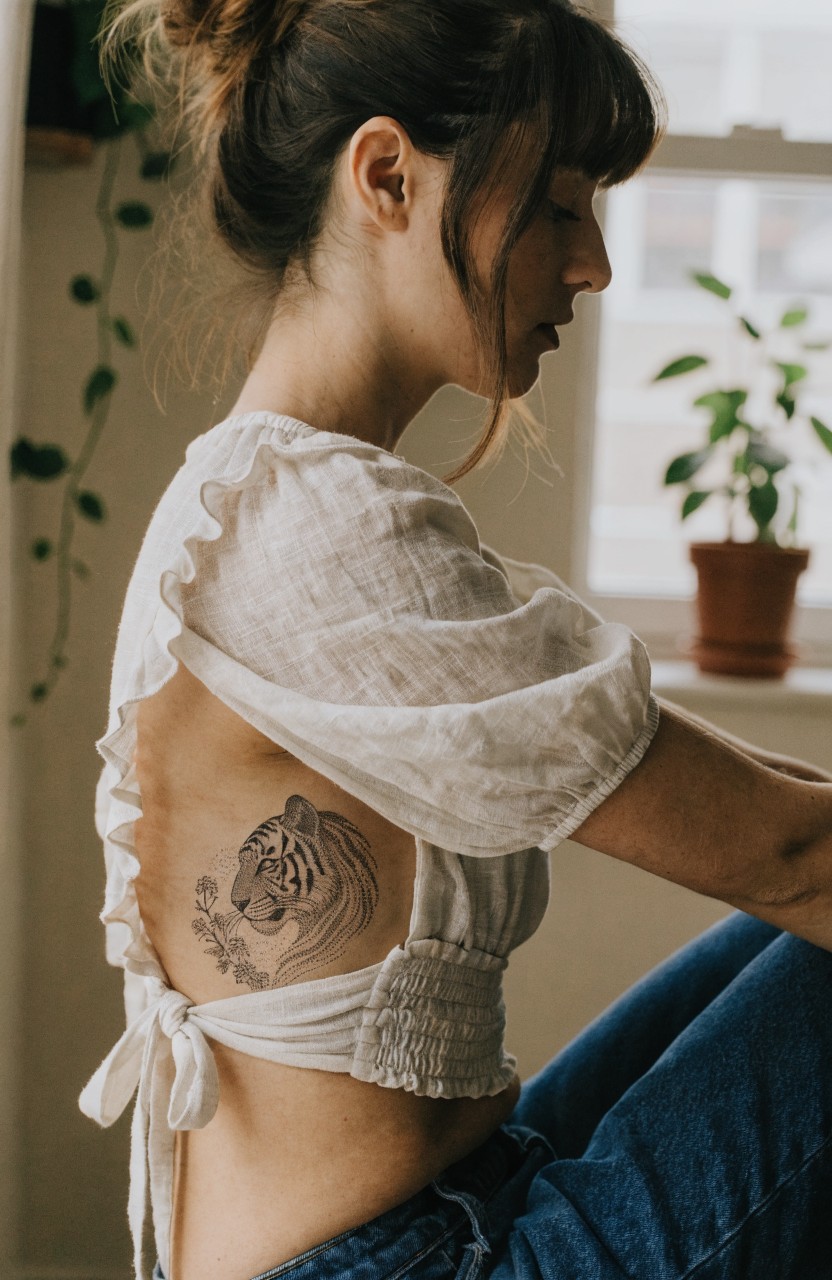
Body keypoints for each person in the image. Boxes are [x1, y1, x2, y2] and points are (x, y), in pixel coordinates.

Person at [79, 2, 832, 1279]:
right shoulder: (310, 526)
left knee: (788, 936)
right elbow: (787, 846)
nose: (591, 263)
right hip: (408, 1264)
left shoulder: (263, 496)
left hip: (460, 1202)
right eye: (556, 207)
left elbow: (780, 830)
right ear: (386, 175)